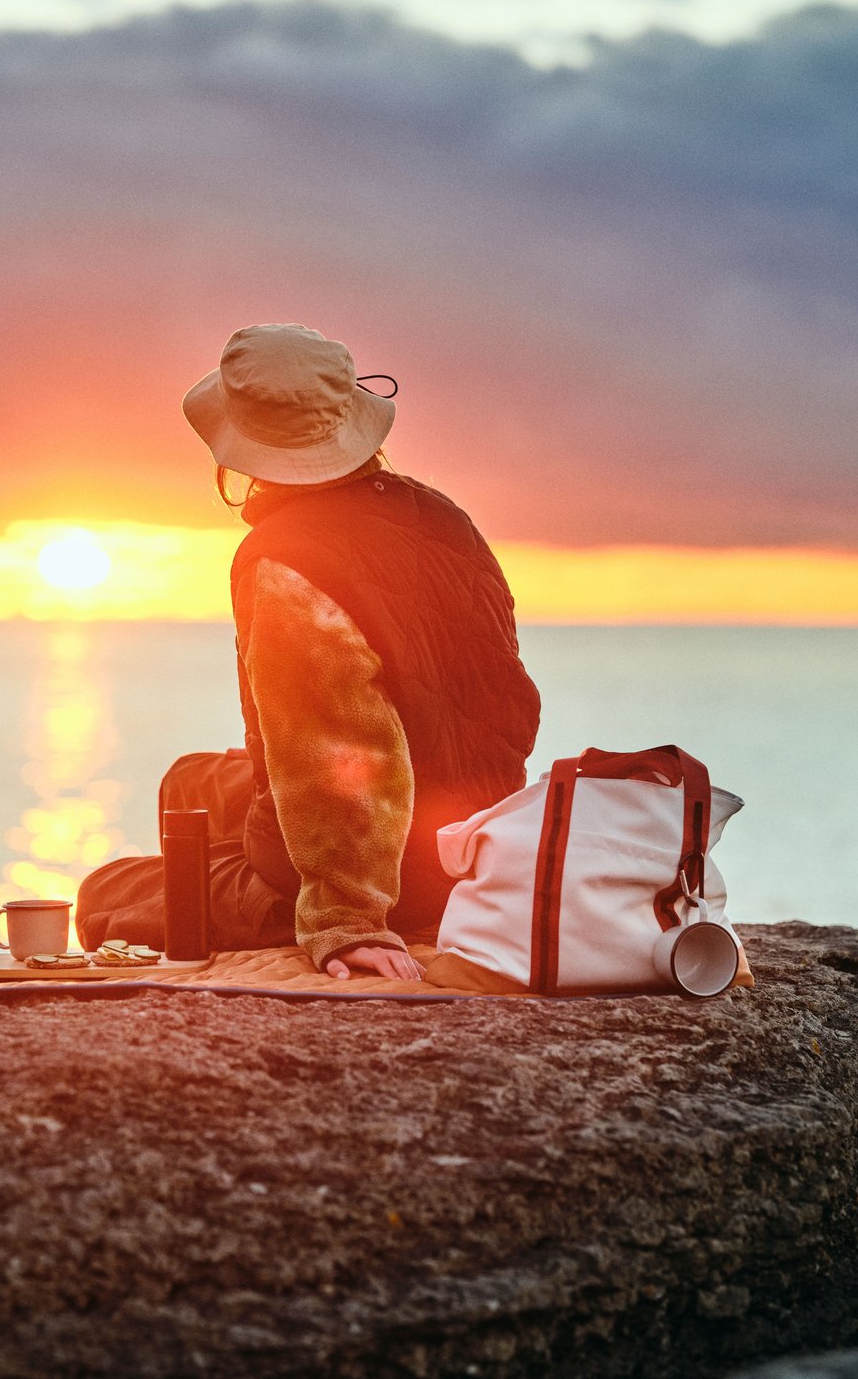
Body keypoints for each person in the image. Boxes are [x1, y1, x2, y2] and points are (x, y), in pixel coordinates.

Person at [77, 324, 541, 980]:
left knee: (107, 894)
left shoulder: (285, 562)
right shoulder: (444, 519)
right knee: (190, 780)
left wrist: (346, 923)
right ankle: (250, 884)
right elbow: (496, 697)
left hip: (398, 878)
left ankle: (272, 912)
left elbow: (345, 751)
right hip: (468, 840)